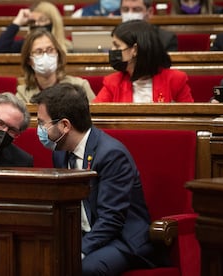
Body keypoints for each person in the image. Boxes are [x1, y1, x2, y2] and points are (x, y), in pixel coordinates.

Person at [31, 82, 169, 275]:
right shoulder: (60, 153)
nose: (39, 129)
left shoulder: (111, 155)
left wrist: (78, 250)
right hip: (84, 235)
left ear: (64, 125)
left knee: (86, 268)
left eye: (41, 123)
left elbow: (111, 219)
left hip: (122, 239)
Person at [93, 20, 193, 103]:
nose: (113, 50)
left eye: (117, 45)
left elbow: (190, 120)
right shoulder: (113, 83)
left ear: (135, 50)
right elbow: (95, 117)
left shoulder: (175, 81)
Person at [16, 28, 95, 103]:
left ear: (58, 54)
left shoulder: (80, 86)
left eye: (50, 50)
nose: (45, 55)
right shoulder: (23, 94)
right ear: (29, 60)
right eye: (39, 51)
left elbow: (95, 115)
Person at [0, 1, 72, 53]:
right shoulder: (24, 46)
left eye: (42, 20)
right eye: (33, 22)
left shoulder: (70, 48)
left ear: (54, 23)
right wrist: (17, 22)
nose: (37, 24)